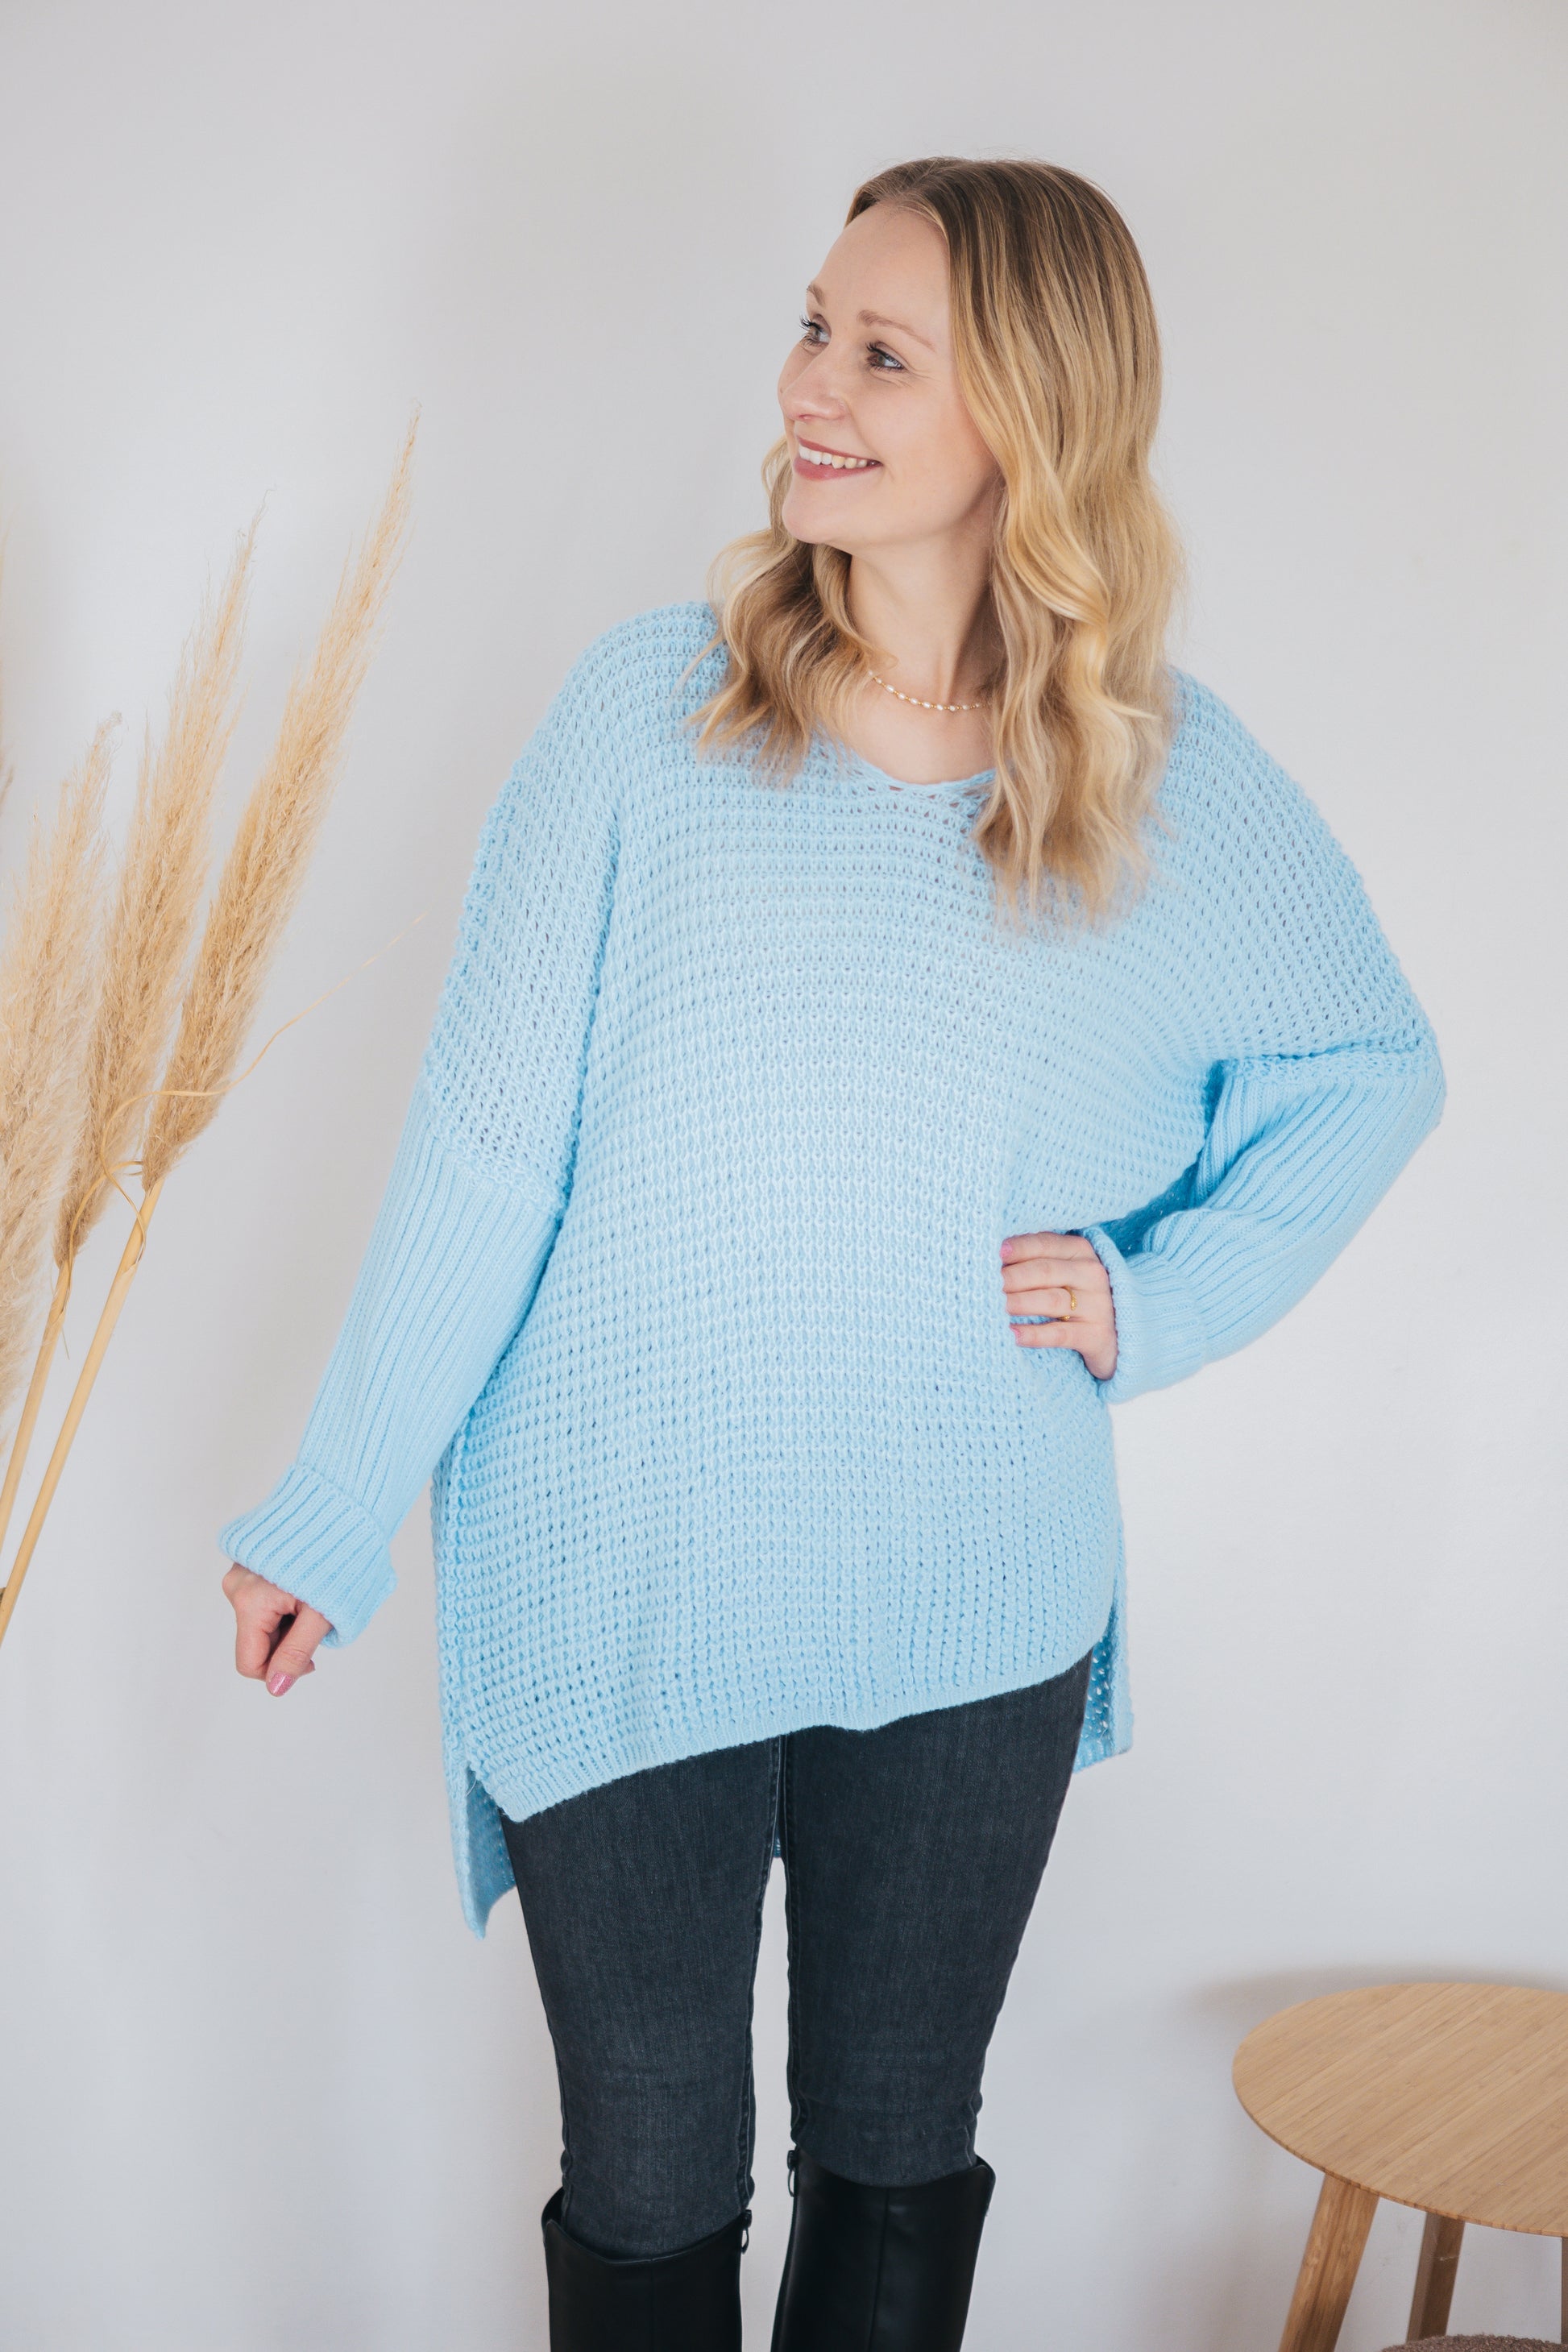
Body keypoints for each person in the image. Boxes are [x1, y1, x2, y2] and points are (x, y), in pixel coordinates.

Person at [218, 156, 1446, 2350]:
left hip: (968, 1576)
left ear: (1032, 413)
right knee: (648, 2179)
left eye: (884, 354)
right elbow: (484, 1159)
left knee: (893, 2155)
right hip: (622, 1563)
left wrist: (1156, 1296)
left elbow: (1368, 1065)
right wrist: (333, 1505)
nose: (810, 387)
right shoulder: (645, 717)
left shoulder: (1153, 774)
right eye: (812, 328)